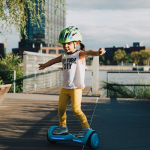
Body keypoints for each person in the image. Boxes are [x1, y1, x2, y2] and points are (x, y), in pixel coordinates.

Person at [39, 26, 106, 138]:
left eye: (68, 43)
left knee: (76, 109)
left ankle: (86, 128)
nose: (65, 46)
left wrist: (98, 53)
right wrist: (45, 65)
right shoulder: (64, 56)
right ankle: (63, 127)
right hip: (65, 88)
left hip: (76, 88)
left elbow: (89, 52)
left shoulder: (79, 54)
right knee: (61, 109)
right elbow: (54, 60)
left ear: (76, 43)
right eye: (63, 44)